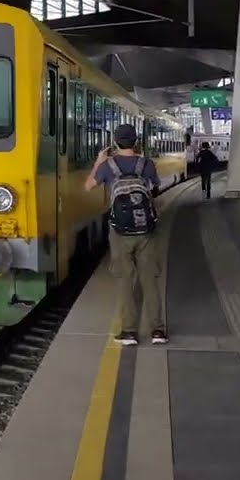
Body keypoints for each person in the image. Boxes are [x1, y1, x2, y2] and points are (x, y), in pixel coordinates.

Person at [85, 123, 167, 346]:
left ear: (115, 142)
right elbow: (153, 187)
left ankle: (129, 332)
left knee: (125, 279)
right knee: (149, 279)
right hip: (146, 230)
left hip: (119, 230)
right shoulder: (146, 163)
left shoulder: (108, 166)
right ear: (136, 141)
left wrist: (98, 163)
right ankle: (157, 331)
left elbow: (88, 186)